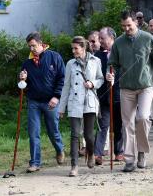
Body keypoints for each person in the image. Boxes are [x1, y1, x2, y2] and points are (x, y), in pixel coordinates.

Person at [107, 11, 153, 172]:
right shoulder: (118, 42)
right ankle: (130, 160)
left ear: (136, 23)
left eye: (129, 25)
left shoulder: (148, 38)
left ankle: (142, 152)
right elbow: (112, 63)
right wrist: (109, 72)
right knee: (127, 124)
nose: (126, 28)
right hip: (126, 88)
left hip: (146, 86)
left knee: (143, 118)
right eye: (123, 26)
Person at [19, 32, 65, 173]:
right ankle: (35, 163)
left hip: (51, 101)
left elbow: (62, 79)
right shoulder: (27, 63)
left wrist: (57, 96)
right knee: (34, 133)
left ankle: (59, 149)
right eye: (29, 46)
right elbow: (23, 87)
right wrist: (22, 80)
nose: (31, 49)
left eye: (33, 45)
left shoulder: (54, 57)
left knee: (53, 131)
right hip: (33, 102)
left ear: (41, 43)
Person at [59, 36, 104, 177]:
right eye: (72, 48)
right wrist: (61, 107)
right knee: (74, 135)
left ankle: (90, 153)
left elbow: (101, 79)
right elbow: (66, 86)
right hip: (74, 102)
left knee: (89, 136)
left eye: (76, 48)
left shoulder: (96, 61)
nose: (73, 51)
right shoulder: (70, 64)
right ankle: (74, 166)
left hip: (90, 102)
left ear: (83, 48)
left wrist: (92, 84)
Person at [94, 27, 124, 166]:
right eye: (99, 38)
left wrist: (115, 77)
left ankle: (119, 152)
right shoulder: (97, 56)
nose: (100, 41)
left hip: (118, 94)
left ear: (111, 38)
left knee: (118, 124)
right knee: (102, 125)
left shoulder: (121, 52)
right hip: (103, 96)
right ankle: (98, 153)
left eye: (102, 38)